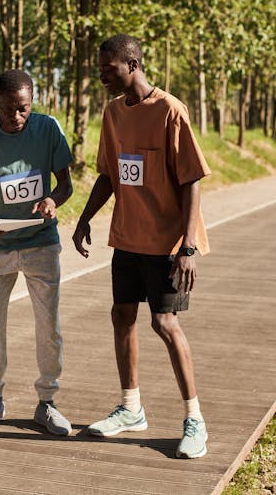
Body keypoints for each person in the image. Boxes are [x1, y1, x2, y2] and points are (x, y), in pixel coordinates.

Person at [72, 34, 211, 459]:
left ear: (132, 64)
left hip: (167, 243)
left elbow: (191, 180)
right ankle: (131, 407)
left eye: (108, 69)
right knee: (122, 316)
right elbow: (109, 174)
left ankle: (194, 420)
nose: (101, 76)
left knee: (164, 324)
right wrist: (83, 218)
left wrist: (187, 246)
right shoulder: (113, 113)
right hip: (127, 237)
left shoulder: (171, 110)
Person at [0, 69, 74, 436]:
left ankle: (47, 403)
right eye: (9, 109)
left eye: (23, 109)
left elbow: (65, 183)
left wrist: (53, 201)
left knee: (47, 326)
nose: (17, 117)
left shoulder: (48, 128)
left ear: (32, 103)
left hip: (40, 243)